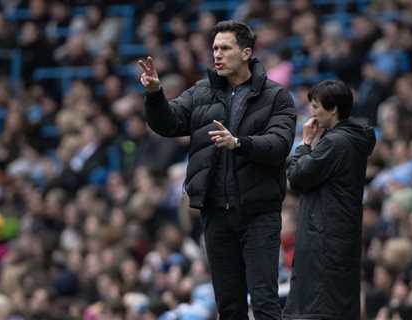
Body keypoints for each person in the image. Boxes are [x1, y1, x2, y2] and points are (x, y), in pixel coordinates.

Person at [138, 20, 296, 320]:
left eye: (225, 48)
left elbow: (279, 144)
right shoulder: (202, 92)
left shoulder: (276, 97)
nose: (217, 55)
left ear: (247, 52)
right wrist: (156, 94)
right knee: (229, 307)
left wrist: (239, 143)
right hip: (216, 214)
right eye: (214, 48)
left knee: (264, 302)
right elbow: (168, 123)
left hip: (258, 214)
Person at [283, 80, 376, 320]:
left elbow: (297, 177)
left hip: (324, 239)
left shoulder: (335, 142)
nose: (311, 112)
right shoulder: (352, 139)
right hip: (338, 238)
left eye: (315, 106)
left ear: (333, 109)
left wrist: (304, 145)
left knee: (318, 310)